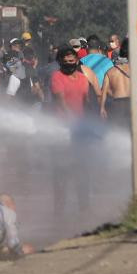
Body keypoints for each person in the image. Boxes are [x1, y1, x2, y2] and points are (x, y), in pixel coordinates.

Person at [49, 46, 92, 216]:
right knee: (61, 171)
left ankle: (84, 207)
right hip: (62, 130)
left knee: (82, 169)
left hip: (79, 130)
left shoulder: (82, 78)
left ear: (76, 61)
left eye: (71, 61)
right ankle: (59, 209)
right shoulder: (56, 77)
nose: (68, 64)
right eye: (65, 62)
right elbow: (60, 102)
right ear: (60, 62)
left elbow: (86, 101)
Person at [98, 38, 131, 127]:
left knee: (118, 129)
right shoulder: (136, 69)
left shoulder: (110, 71)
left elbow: (104, 92)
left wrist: (102, 108)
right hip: (133, 102)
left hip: (117, 104)